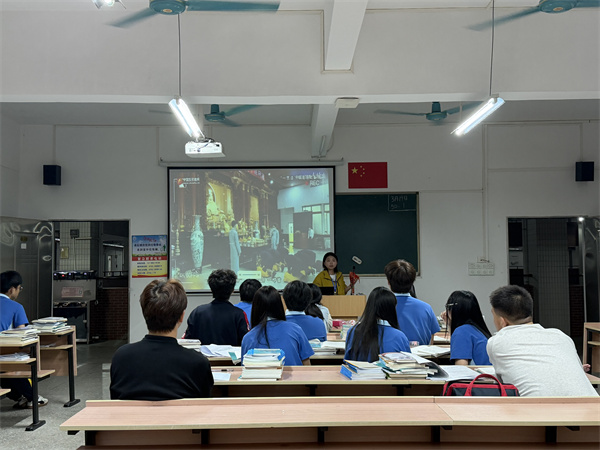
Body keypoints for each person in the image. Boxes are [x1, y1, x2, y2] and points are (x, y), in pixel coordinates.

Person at [110, 279, 213, 400]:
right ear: (181, 317)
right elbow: (203, 404)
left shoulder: (121, 357)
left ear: (145, 313)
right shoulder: (198, 362)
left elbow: (115, 400)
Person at [487, 285, 598, 397]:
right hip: (593, 404)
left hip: (539, 407)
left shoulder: (496, 342)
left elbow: (502, 380)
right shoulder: (561, 336)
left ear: (502, 321)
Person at [0, 270, 49, 409]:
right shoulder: (16, 307)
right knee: (18, 364)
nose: (19, 292)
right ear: (12, 289)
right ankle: (32, 397)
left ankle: (19, 397)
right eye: (19, 288)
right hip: (4, 353)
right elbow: (22, 334)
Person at [241, 286, 314, 366]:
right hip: (293, 374)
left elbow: (244, 368)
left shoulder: (248, 338)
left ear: (255, 308)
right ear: (279, 306)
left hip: (260, 374)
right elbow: (307, 365)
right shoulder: (295, 329)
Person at [344, 287, 410, 362]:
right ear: (392, 309)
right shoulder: (399, 337)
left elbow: (347, 362)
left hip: (359, 370)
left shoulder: (353, 332)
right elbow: (408, 365)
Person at [185, 269, 248, 345]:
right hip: (230, 353)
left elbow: (188, 341)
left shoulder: (197, 312)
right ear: (232, 290)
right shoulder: (238, 314)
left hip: (201, 353)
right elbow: (244, 343)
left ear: (211, 289)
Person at [384, 259, 440, 345]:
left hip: (391, 353)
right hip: (419, 353)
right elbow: (431, 339)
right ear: (412, 282)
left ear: (388, 282)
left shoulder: (383, 307)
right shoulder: (426, 308)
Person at [443, 290, 491, 365]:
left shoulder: (461, 332)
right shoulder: (477, 329)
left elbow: (461, 368)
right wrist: (450, 324)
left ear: (452, 310)